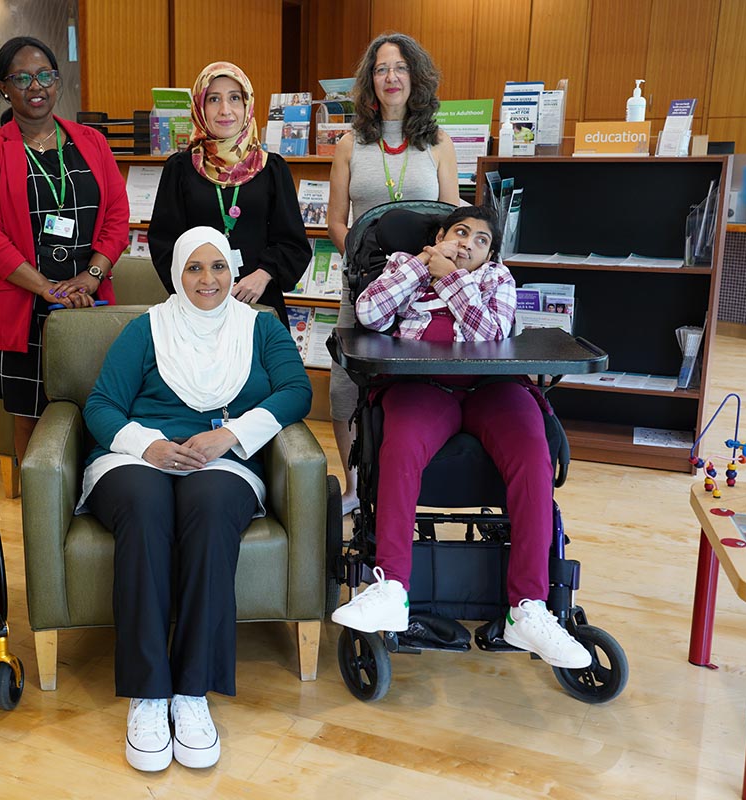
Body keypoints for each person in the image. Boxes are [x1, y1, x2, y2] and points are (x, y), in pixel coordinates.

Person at [81, 227, 311, 772]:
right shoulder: (146, 329)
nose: (208, 280)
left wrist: (229, 436)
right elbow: (101, 405)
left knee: (209, 510)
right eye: (194, 268)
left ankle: (191, 691)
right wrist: (150, 445)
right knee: (145, 507)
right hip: (138, 455)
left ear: (233, 271)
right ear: (176, 274)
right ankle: (147, 693)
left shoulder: (261, 327)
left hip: (223, 458)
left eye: (218, 267)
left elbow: (296, 391)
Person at [329, 205, 591, 670]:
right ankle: (391, 587)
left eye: (481, 240)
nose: (468, 243)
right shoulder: (403, 266)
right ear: (440, 237)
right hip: (421, 384)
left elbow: (489, 335)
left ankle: (528, 608)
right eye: (460, 232)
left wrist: (450, 277)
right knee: (400, 446)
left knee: (533, 451)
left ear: (491, 254)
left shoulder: (496, 279)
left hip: (493, 386)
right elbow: (369, 315)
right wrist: (422, 266)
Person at [0, 35, 129, 462]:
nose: (35, 86)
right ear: (4, 87)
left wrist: (91, 276)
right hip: (24, 301)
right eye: (22, 78)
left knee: (99, 406)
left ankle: (94, 490)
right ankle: (38, 500)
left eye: (44, 75)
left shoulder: (91, 141)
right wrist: (44, 287)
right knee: (29, 415)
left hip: (88, 298)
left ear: (57, 81)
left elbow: (117, 216)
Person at [326, 33, 461, 516]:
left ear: (415, 77)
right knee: (344, 385)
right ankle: (354, 487)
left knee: (412, 385)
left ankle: (407, 483)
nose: (391, 77)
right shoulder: (349, 144)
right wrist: (364, 262)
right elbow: (335, 221)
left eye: (400, 67)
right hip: (364, 285)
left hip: (423, 287)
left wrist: (423, 266)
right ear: (370, 80)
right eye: (382, 68)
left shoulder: (439, 143)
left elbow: (453, 218)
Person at [148, 61, 309, 325]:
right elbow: (164, 243)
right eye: (214, 99)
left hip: (258, 303)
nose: (225, 110)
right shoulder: (179, 169)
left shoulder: (272, 168)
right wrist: (200, 288)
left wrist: (264, 274)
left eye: (234, 98)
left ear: (247, 105)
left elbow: (294, 244)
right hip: (197, 306)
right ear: (200, 107)